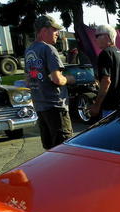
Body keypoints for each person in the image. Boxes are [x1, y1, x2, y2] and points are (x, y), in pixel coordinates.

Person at [25, 15, 75, 149]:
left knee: (49, 150)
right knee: (64, 150)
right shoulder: (48, 49)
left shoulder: (29, 50)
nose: (57, 33)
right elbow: (57, 79)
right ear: (44, 30)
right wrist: (70, 79)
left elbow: (29, 80)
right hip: (56, 107)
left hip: (40, 107)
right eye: (54, 29)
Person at [88, 24, 120, 118]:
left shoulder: (105, 54)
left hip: (111, 107)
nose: (95, 39)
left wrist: (96, 105)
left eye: (97, 36)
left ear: (107, 36)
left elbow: (106, 81)